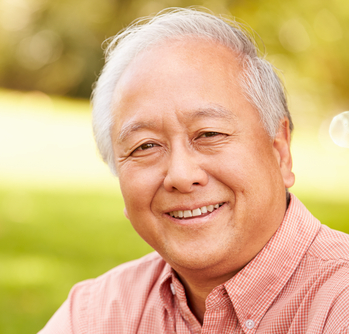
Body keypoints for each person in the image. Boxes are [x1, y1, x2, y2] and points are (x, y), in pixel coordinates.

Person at [39, 8, 349, 333]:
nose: (181, 176)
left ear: (280, 151)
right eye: (145, 146)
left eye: (209, 134)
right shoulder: (93, 314)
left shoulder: (337, 302)